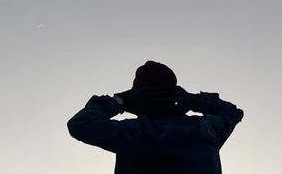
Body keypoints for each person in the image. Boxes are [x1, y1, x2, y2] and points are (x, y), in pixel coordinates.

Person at [67, 60, 244, 174]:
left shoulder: (137, 133)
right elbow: (232, 112)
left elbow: (81, 124)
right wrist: (194, 100)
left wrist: (122, 100)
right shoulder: (206, 129)